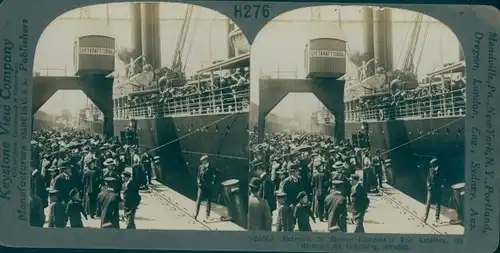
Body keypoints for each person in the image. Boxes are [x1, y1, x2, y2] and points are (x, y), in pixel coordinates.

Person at [194, 155, 217, 220]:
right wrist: (198, 183)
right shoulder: (200, 167)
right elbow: (198, 176)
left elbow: (215, 176)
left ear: (206, 160)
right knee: (198, 200)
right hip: (201, 186)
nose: (202, 163)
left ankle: (207, 215)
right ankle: (196, 214)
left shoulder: (211, 167)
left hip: (208, 187)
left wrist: (213, 182)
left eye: (203, 161)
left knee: (208, 201)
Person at [423, 158, 444, 225]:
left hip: (438, 189)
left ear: (435, 164)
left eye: (432, 164)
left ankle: (437, 218)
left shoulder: (441, 170)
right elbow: (428, 179)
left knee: (438, 204)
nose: (431, 166)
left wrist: (442, 185)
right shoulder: (430, 170)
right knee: (428, 203)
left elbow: (443, 179)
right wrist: (429, 186)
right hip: (431, 190)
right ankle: (425, 218)